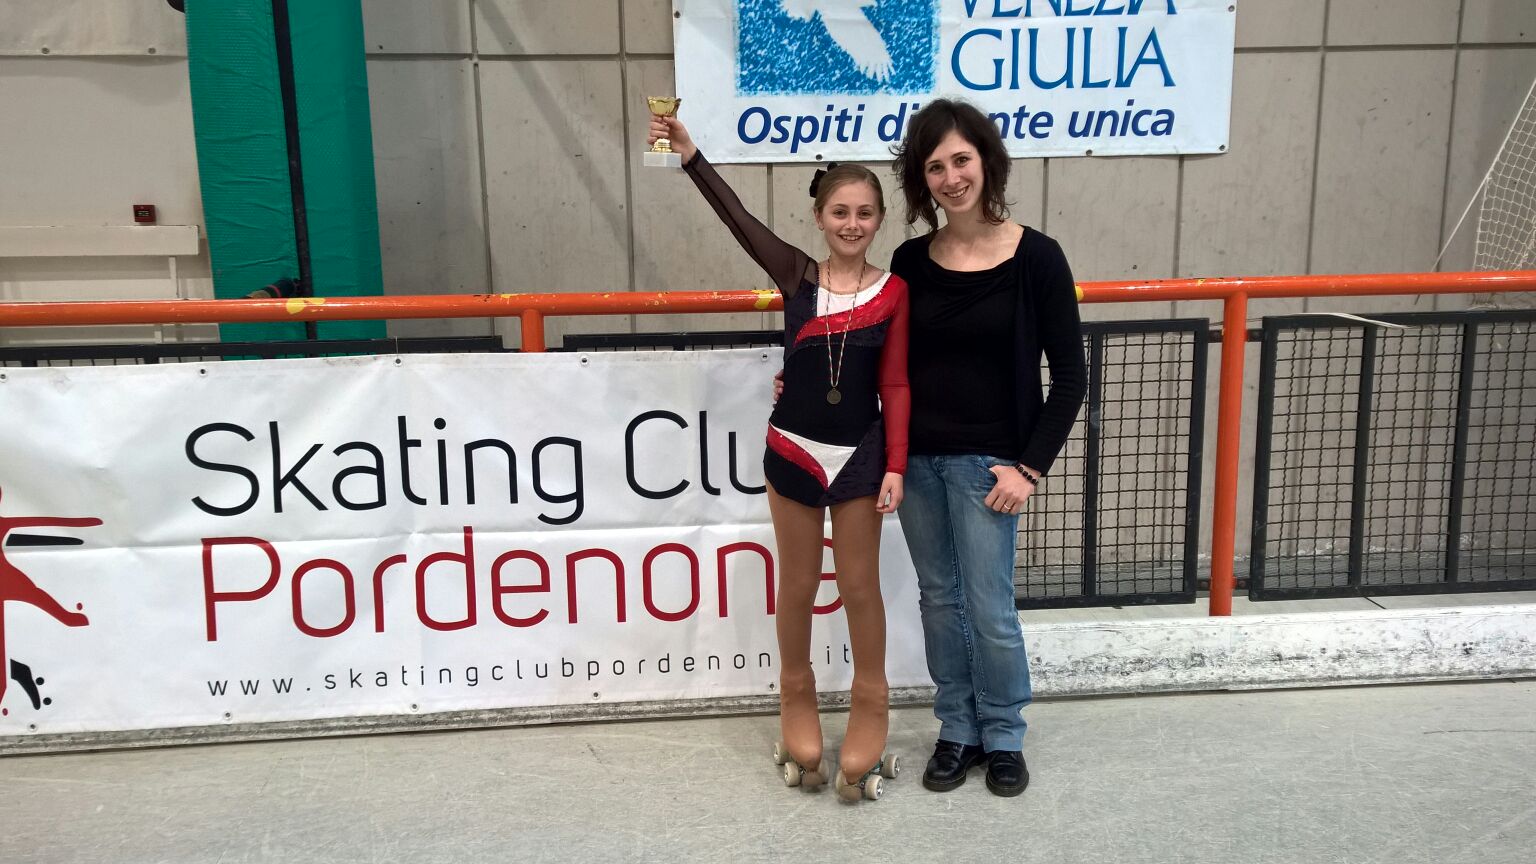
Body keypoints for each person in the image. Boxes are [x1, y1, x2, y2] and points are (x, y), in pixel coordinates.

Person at [649, 114, 911, 801]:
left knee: (859, 586)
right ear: (819, 216)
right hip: (792, 451)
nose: (851, 224)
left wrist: (895, 464)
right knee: (795, 585)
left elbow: (895, 383)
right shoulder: (796, 274)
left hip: (860, 458)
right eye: (839, 212)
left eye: (864, 213)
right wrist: (690, 155)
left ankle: (871, 700)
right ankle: (796, 694)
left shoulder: (894, 292)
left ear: (880, 220)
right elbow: (738, 220)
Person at [890, 98, 1087, 797]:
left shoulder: (1038, 257)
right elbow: (884, 360)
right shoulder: (909, 261)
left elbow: (1071, 377)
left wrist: (1029, 468)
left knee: (990, 609)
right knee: (939, 601)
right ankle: (958, 728)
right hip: (916, 464)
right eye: (934, 166)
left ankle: (1003, 733)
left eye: (961, 160)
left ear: (987, 161)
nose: (950, 177)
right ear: (921, 179)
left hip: (991, 467)